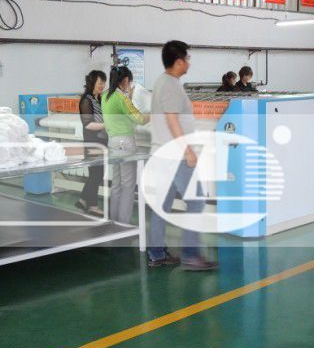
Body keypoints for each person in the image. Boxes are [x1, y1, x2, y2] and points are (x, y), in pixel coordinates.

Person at [147, 40, 217, 271]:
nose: (189, 62)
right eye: (187, 58)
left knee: (162, 205)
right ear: (178, 62)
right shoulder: (170, 85)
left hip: (161, 153)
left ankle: (157, 253)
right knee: (196, 200)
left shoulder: (163, 82)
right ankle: (191, 255)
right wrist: (187, 151)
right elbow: (172, 120)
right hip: (174, 155)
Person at [102, 65, 148, 224]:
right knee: (128, 184)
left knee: (116, 183)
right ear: (126, 80)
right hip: (125, 143)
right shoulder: (122, 98)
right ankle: (123, 223)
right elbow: (140, 119)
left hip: (113, 142)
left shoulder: (105, 96)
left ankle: (114, 220)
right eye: (130, 82)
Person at [77, 70, 107, 216]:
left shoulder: (98, 98)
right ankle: (93, 206)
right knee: (96, 173)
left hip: (101, 140)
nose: (102, 85)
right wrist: (106, 125)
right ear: (92, 82)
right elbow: (87, 124)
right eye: (100, 82)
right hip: (92, 141)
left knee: (97, 173)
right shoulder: (86, 100)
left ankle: (83, 200)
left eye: (104, 83)